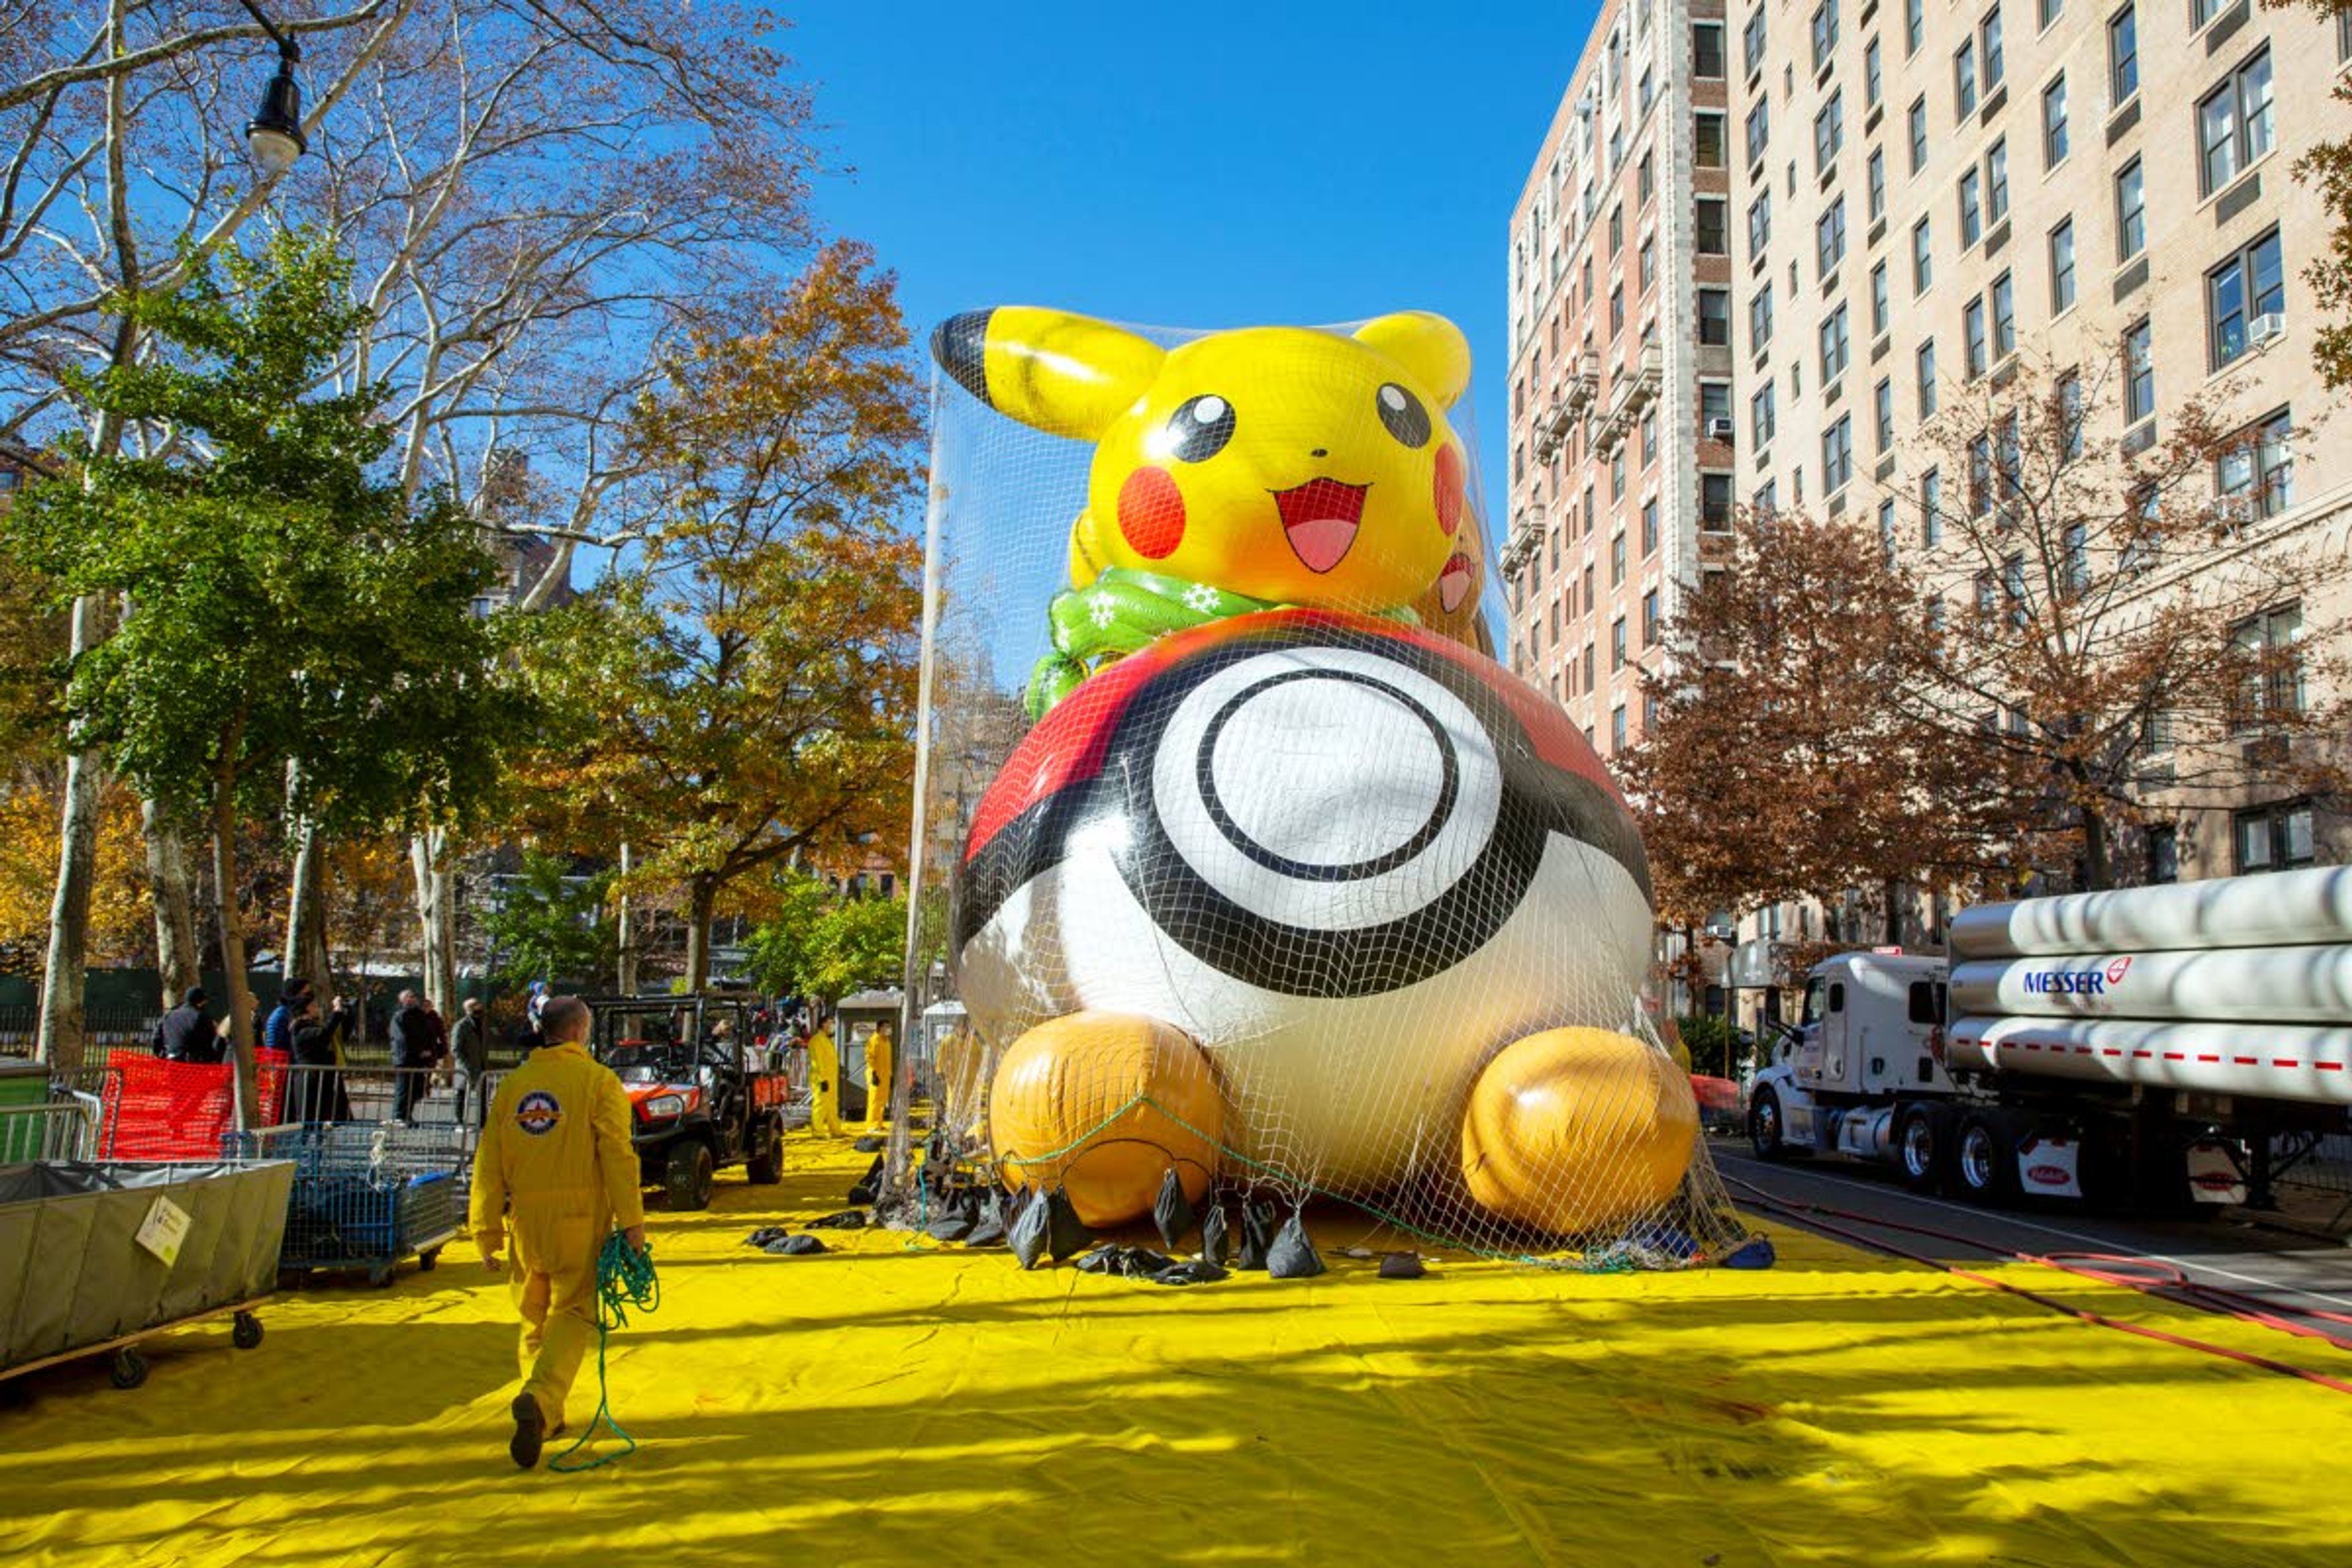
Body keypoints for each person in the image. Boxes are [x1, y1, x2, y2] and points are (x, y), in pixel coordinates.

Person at [469, 995, 647, 1471]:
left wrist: (485, 1230)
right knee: (572, 1311)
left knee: (533, 1316)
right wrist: (633, 1222)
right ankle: (543, 1398)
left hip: (525, 1220)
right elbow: (617, 1154)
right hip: (580, 1218)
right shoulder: (597, 1082)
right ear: (578, 1032)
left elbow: (487, 1161)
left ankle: (544, 1414)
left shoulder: (514, 1087)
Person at [288, 993, 354, 1123]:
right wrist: (336, 1012)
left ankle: (319, 1140)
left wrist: (346, 1012)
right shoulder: (300, 1029)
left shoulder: (311, 1025)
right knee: (308, 1120)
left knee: (322, 1118)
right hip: (309, 1079)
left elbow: (330, 1032)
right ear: (306, 1009)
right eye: (313, 1005)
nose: (317, 1008)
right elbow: (324, 1035)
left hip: (322, 1079)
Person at [389, 989, 437, 1122]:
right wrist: (418, 1050)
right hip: (404, 1058)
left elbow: (428, 1035)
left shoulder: (420, 1016)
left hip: (419, 1059)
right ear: (402, 1000)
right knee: (403, 1089)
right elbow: (401, 1039)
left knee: (415, 1089)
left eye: (413, 996)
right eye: (409, 997)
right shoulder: (400, 1016)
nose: (412, 999)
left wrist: (428, 1050)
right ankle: (399, 1116)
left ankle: (408, 1115)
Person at [451, 997, 492, 1128]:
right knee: (461, 1095)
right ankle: (459, 1121)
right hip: (465, 1068)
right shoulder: (461, 1026)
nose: (480, 1007)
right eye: (476, 1005)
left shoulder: (483, 1024)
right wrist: (466, 1066)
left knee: (483, 1096)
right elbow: (456, 1049)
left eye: (479, 1004)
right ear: (468, 1009)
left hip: (482, 1066)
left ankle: (483, 1122)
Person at [153, 987, 222, 1064]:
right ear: (201, 1002)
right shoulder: (201, 1017)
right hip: (193, 1064)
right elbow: (211, 1041)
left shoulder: (169, 1015)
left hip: (171, 1060)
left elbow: (156, 1038)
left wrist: (161, 1054)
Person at [805, 1015, 843, 1137]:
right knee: (820, 1104)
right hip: (821, 1079)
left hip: (830, 1078)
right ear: (823, 1024)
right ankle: (818, 1131)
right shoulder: (817, 1040)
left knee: (832, 1105)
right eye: (830, 1023)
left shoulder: (827, 1040)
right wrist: (822, 1079)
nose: (832, 1026)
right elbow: (818, 1061)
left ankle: (835, 1130)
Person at [263, 979, 311, 1059]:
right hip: (282, 1061)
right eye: (306, 994)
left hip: (279, 1060)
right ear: (296, 994)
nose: (308, 998)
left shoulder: (282, 1011)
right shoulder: (285, 1014)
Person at [864, 1019, 895, 1131]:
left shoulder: (886, 1042)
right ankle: (871, 1125)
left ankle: (878, 1123)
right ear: (880, 1028)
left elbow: (888, 1061)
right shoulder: (874, 1041)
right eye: (886, 1027)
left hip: (885, 1075)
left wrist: (890, 1075)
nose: (888, 1029)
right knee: (874, 1100)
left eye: (889, 1027)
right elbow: (869, 1059)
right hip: (876, 1075)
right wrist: (874, 1074)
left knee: (882, 1101)